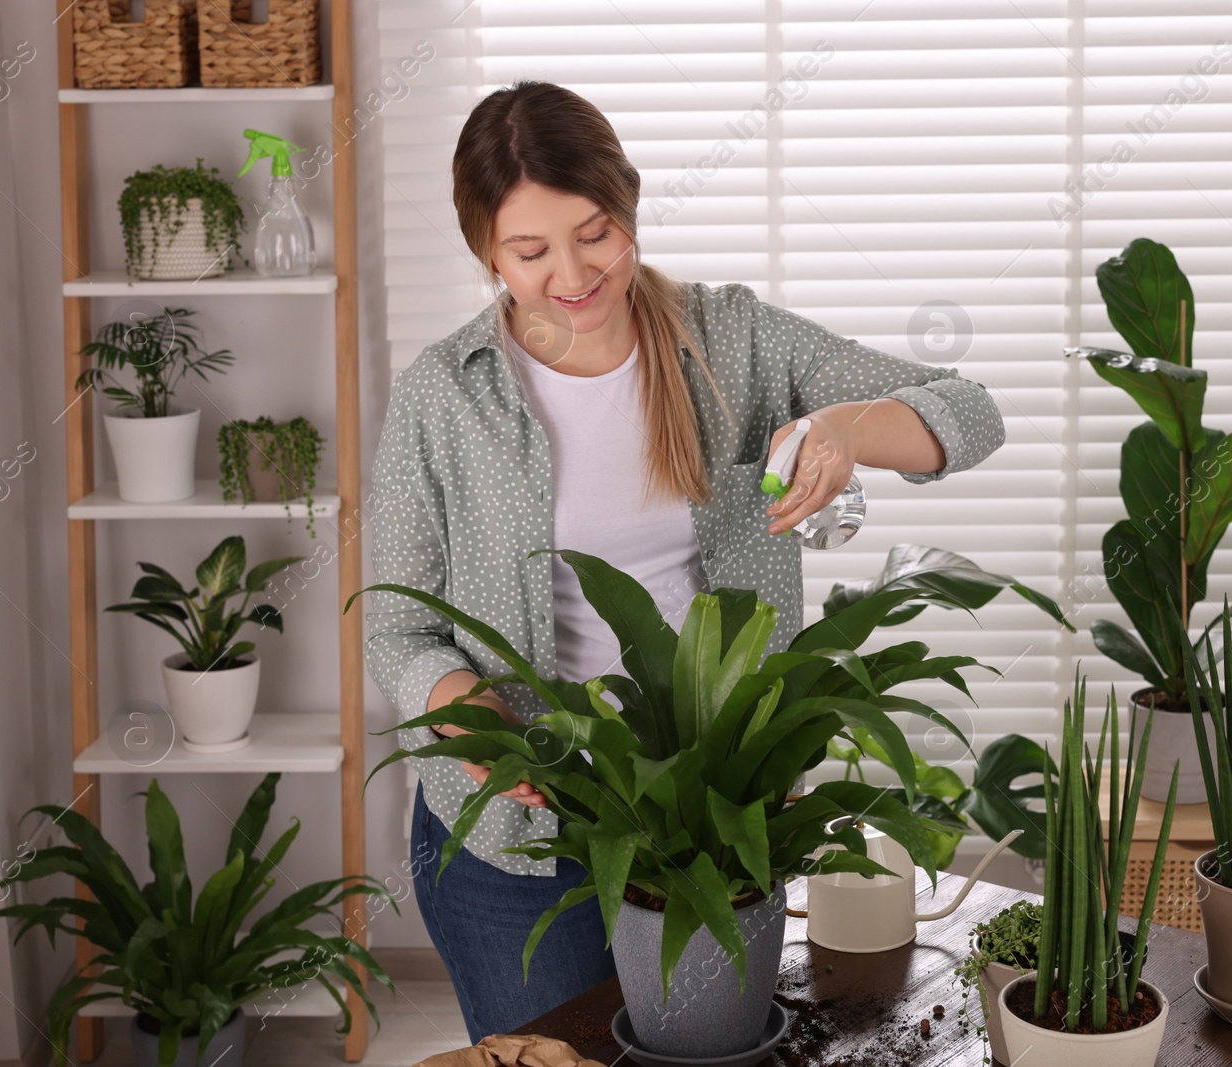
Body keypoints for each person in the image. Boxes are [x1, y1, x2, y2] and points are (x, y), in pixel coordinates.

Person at [362, 79, 1006, 1046]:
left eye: (595, 233)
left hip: (712, 825)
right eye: (530, 251)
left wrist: (843, 428)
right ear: (486, 251)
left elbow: (968, 410)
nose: (573, 273)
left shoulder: (733, 340)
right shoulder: (441, 398)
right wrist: (466, 705)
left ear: (627, 204)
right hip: (516, 838)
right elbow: (396, 625)